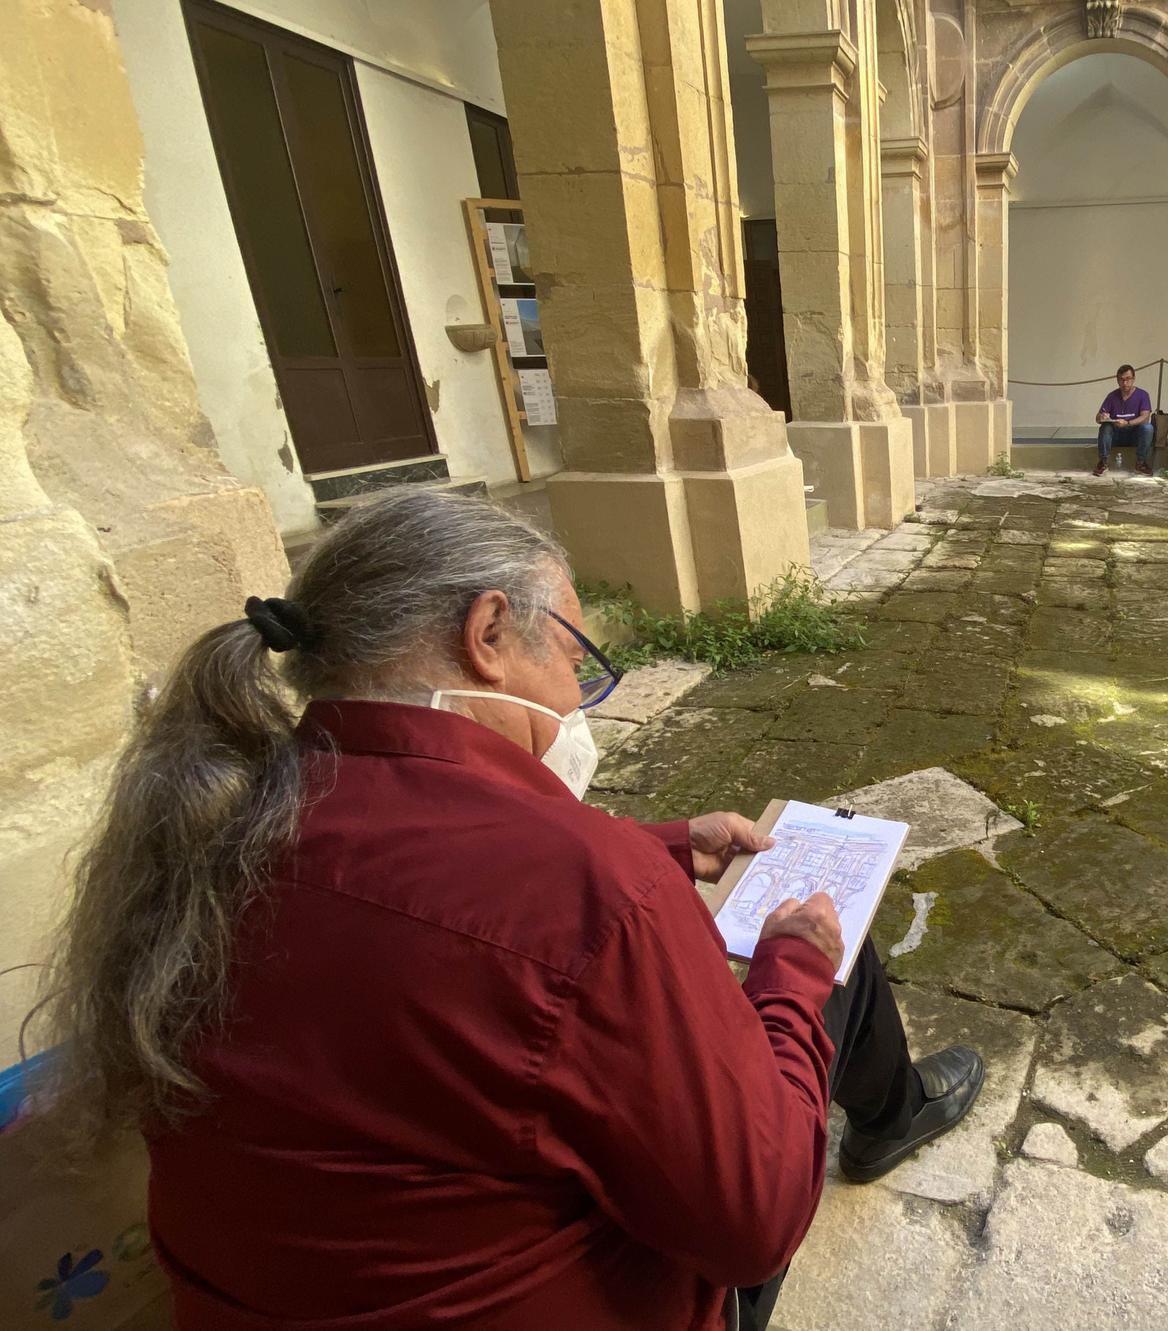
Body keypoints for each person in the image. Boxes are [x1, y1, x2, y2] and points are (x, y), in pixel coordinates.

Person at [22, 489, 984, 1331]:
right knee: (828, 960)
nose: (582, 699)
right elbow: (756, 1219)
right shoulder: (588, 889)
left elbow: (422, 904)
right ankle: (889, 1115)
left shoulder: (215, 825)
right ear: (487, 635)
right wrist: (792, 966)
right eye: (575, 655)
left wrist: (660, 843)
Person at [1094, 363, 1154, 476]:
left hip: (1134, 434)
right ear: (1117, 381)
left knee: (1148, 427)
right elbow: (1097, 418)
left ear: (1133, 379)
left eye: (1128, 379)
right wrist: (1102, 417)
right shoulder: (1112, 396)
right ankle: (1103, 462)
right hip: (1116, 435)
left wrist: (1127, 423)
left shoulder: (1142, 395)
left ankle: (1140, 463)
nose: (1125, 383)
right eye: (1121, 380)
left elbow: (1145, 416)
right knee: (1105, 427)